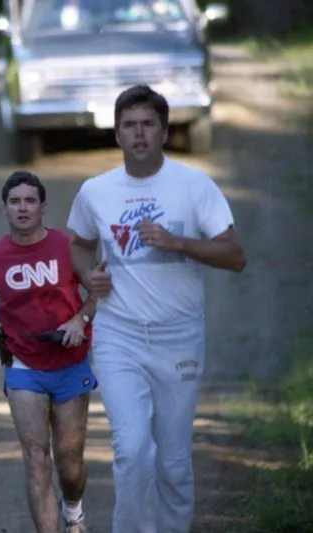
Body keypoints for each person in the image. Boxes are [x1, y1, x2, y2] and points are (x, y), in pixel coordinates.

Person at [66, 85, 246, 533]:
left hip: (178, 339)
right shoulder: (96, 191)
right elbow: (80, 246)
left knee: (173, 460)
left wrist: (178, 242)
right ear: (118, 135)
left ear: (165, 132)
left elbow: (235, 256)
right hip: (119, 337)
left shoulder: (194, 186)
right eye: (130, 125)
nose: (139, 133)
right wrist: (90, 276)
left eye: (148, 124)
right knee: (131, 451)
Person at [0, 171, 97, 533]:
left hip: (71, 364)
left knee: (69, 463)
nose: (22, 208)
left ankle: (74, 510)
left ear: (42, 207)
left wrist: (79, 320)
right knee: (36, 458)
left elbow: (98, 292)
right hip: (23, 365)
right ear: (4, 209)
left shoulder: (68, 246)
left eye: (29, 201)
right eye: (15, 201)